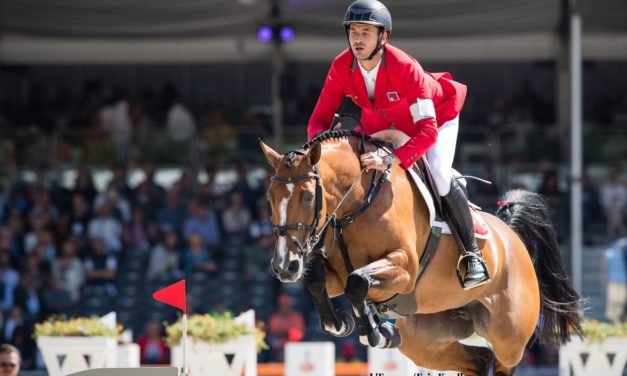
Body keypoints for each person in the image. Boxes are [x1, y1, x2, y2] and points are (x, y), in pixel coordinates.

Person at [307, 0, 488, 289]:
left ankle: (472, 255)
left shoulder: (405, 67)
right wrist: (320, 148)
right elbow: (317, 121)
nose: (357, 39)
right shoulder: (342, 66)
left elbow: (427, 132)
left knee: (439, 173)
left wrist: (392, 159)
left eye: (366, 32)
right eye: (353, 31)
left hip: (435, 120)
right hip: (382, 123)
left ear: (383, 37)